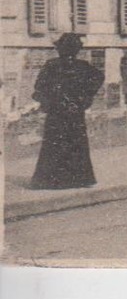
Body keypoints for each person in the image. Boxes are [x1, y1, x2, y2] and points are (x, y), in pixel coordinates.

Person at [31, 33, 105, 189]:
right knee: (74, 144)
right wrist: (83, 99)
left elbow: (39, 88)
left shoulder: (52, 65)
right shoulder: (81, 66)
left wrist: (53, 101)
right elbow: (98, 78)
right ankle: (78, 179)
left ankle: (52, 180)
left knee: (56, 145)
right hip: (71, 113)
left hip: (60, 113)